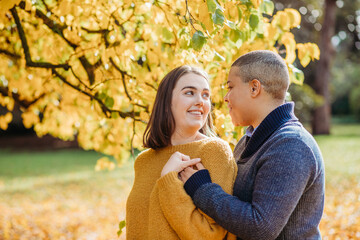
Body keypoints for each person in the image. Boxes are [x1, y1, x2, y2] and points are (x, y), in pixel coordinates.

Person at [162, 50, 325, 239]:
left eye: (230, 87)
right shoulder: (247, 141)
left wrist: (200, 187)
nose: (225, 97)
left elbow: (260, 227)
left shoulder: (291, 145)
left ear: (254, 88)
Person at [125, 65, 237, 240]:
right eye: (189, 93)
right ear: (167, 102)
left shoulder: (214, 151)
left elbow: (211, 235)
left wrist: (169, 180)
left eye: (205, 95)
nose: (200, 101)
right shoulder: (143, 160)